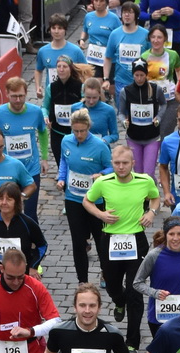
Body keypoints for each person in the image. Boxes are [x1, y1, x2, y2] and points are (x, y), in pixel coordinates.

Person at [85, 141, 160, 351]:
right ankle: (119, 301)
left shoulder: (144, 181)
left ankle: (132, 342)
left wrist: (151, 213)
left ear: (133, 163)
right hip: (110, 240)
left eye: (125, 163)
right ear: (112, 163)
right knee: (111, 284)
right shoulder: (104, 182)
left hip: (136, 239)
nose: (120, 167)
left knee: (135, 290)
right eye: (117, 163)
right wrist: (100, 214)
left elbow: (155, 198)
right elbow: (86, 201)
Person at [59, 108, 116, 285]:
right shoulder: (66, 141)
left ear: (88, 128)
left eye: (82, 130)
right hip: (73, 199)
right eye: (75, 131)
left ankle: (106, 273)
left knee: (100, 241)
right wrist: (61, 178)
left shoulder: (100, 146)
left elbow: (111, 168)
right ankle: (82, 281)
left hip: (95, 201)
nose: (79, 134)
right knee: (78, 242)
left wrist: (102, 174)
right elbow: (64, 161)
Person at [0, 78, 51, 218]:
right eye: (14, 96)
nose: (17, 100)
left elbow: (42, 132)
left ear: (26, 93)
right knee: (6, 210)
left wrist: (45, 158)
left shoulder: (36, 112)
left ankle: (32, 240)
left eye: (21, 96)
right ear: (7, 94)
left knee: (30, 212)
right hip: (7, 170)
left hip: (30, 169)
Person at [133, 218, 180, 342]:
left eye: (179, 234)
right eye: (171, 234)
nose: (175, 238)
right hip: (158, 316)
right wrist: (155, 293)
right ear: (165, 235)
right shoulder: (154, 255)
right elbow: (137, 283)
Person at [0, 182, 49, 279]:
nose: (4, 202)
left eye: (9, 199)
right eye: (1, 199)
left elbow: (42, 245)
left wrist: (33, 266)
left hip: (24, 276)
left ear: (16, 201)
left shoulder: (27, 223)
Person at [120, 62, 168, 176]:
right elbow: (121, 112)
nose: (139, 78)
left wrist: (159, 117)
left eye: (142, 75)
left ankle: (151, 192)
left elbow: (164, 104)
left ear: (146, 74)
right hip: (133, 138)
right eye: (136, 75)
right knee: (138, 173)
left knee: (148, 173)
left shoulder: (156, 89)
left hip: (152, 137)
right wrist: (123, 121)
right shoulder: (125, 91)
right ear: (133, 75)